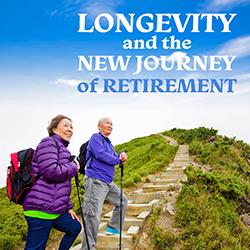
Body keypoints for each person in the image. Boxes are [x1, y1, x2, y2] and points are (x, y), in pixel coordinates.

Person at [23, 115, 82, 250]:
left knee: (74, 227)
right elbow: (50, 171)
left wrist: (68, 207)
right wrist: (74, 167)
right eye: (65, 125)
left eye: (71, 127)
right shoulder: (48, 143)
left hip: (54, 208)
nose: (70, 129)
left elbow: (61, 185)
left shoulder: (62, 149)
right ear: (54, 129)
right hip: (40, 208)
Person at [82, 117, 128, 250]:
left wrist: (121, 156)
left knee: (122, 200)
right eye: (107, 123)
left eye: (112, 124)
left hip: (107, 182)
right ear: (99, 126)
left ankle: (113, 227)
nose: (110, 125)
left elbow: (115, 157)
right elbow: (100, 154)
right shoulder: (95, 137)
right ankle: (88, 248)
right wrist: (117, 159)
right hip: (96, 180)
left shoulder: (109, 143)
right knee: (92, 216)